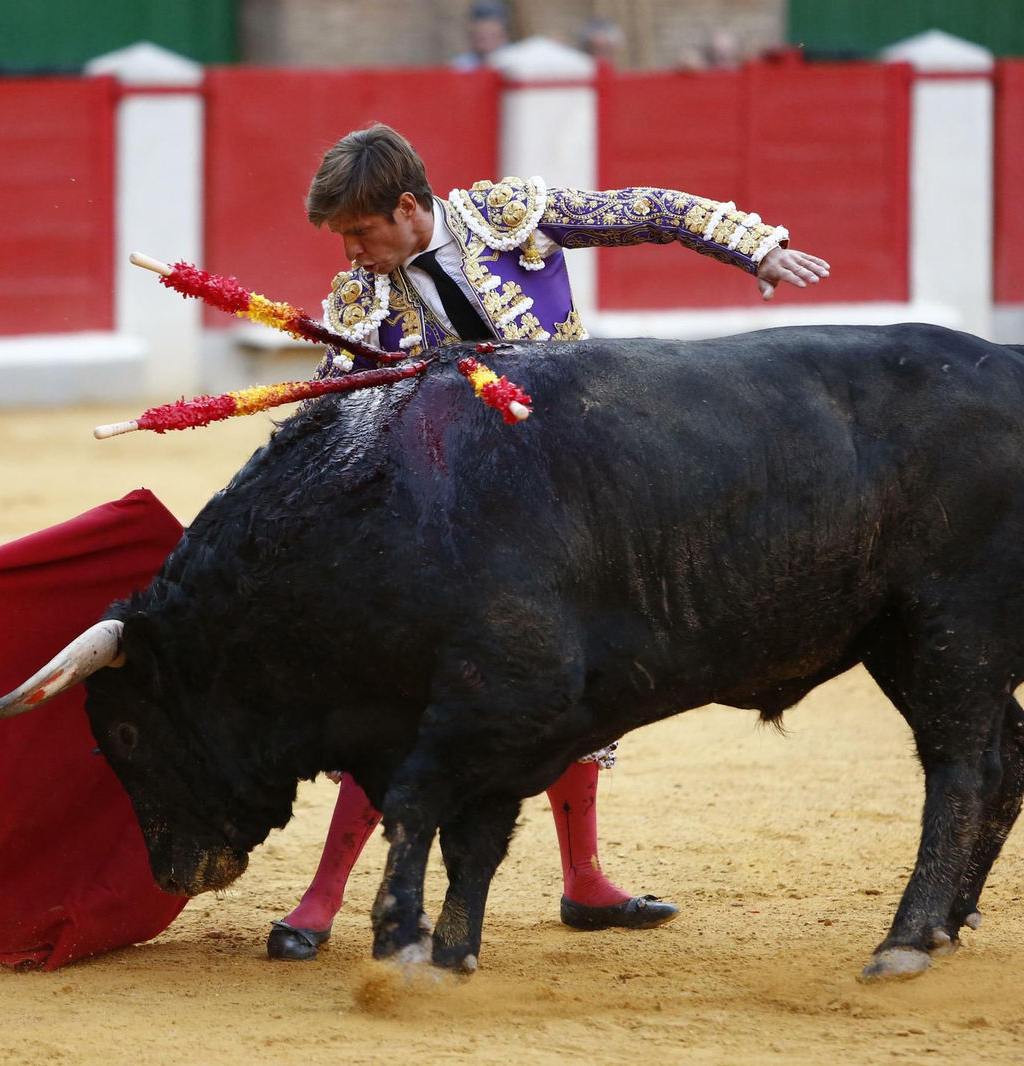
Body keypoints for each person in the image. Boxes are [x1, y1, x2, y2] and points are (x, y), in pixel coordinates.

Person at [266, 123, 830, 961]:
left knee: (582, 680)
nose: (351, 253)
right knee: (405, 692)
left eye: (360, 231)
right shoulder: (360, 301)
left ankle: (585, 881)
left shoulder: (504, 218)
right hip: (461, 519)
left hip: (573, 494)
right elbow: (332, 415)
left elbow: (648, 210)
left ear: (410, 208)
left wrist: (754, 248)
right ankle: (320, 898)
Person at [449, 0, 508, 71]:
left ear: (502, 35)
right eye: (480, 37)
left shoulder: (514, 60)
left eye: (492, 35)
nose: (485, 29)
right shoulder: (461, 65)